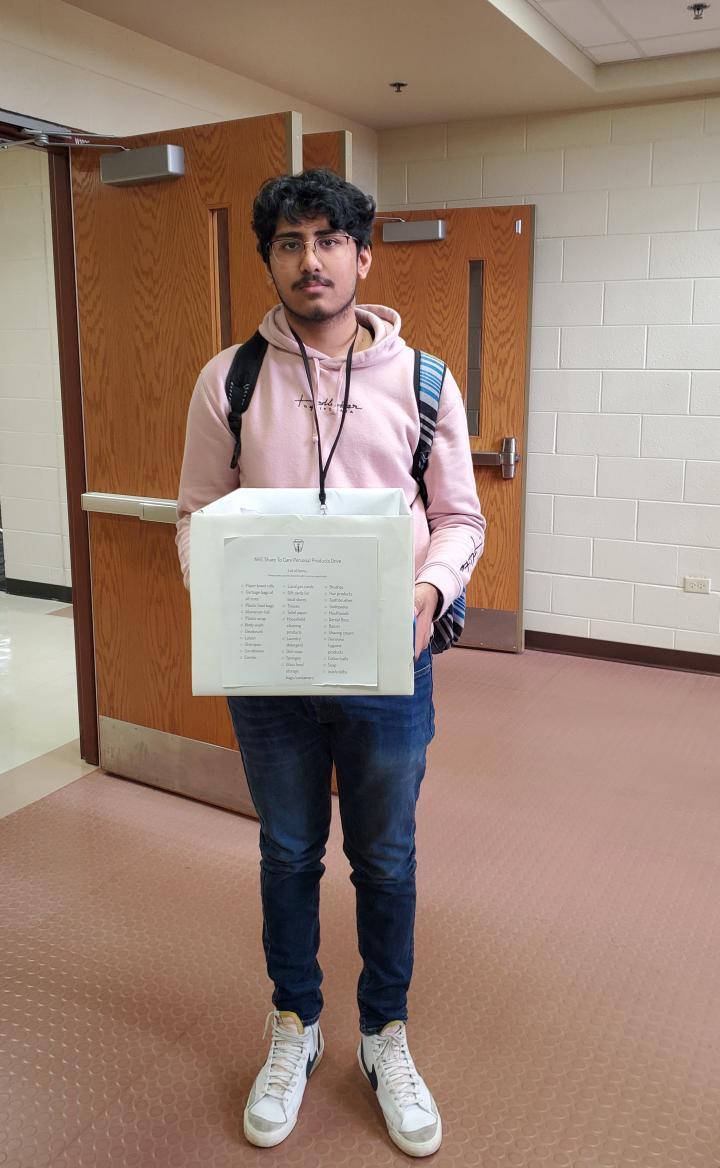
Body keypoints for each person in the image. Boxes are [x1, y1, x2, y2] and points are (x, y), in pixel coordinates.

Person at [176, 168, 485, 1156]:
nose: (309, 260)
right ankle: (295, 1022)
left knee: (385, 857)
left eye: (328, 240)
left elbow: (460, 517)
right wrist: (223, 590)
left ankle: (385, 1033)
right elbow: (194, 513)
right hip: (271, 674)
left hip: (387, 668)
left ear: (362, 255)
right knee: (286, 851)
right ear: (269, 259)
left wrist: (428, 592)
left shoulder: (425, 380)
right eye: (289, 242)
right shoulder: (229, 379)